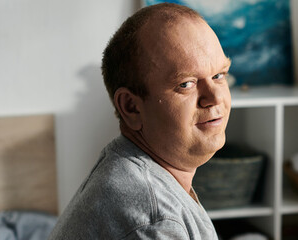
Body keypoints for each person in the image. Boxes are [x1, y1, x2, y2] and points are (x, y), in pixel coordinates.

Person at [49, 3, 231, 239]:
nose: (215, 97)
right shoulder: (153, 223)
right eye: (186, 84)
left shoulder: (137, 170)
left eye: (219, 75)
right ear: (131, 108)